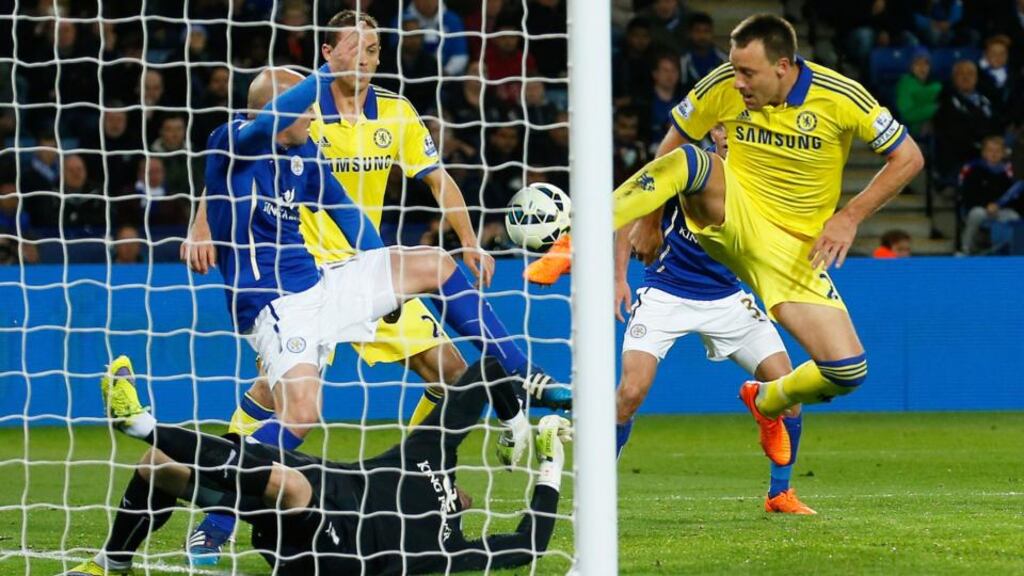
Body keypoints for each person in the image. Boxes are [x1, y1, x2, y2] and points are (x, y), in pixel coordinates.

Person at [181, 25, 568, 563]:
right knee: (291, 408)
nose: (314, 117)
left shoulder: (321, 149)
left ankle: (511, 388)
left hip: (334, 281)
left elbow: (352, 218)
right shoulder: (237, 141)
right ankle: (218, 519)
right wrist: (330, 74)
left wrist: (387, 280)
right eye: (306, 110)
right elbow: (259, 127)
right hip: (279, 304)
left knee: (440, 295)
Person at [530, 14, 924, 467]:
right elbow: (671, 147)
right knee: (692, 161)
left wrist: (850, 216)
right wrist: (650, 221)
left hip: (795, 249)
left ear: (782, 65)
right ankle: (577, 238)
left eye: (747, 73)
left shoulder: (840, 96)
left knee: (846, 370)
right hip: (733, 211)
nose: (736, 83)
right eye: (733, 69)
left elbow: (908, 157)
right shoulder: (722, 84)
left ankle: (767, 401)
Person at [65, 355, 571, 575]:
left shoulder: (451, 548)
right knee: (159, 468)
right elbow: (486, 371)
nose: (465, 499)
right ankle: (113, 562)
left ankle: (144, 424)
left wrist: (551, 465)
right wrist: (514, 422)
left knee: (290, 483)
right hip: (304, 494)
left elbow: (528, 546)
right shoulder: (430, 454)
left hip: (339, 557)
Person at [613, 125, 813, 514]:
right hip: (666, 293)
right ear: (713, 131)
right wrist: (619, 276)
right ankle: (597, 490)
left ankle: (780, 493)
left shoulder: (763, 178)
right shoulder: (690, 167)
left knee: (788, 389)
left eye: (739, 127)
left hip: (729, 298)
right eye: (723, 126)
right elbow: (628, 209)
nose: (729, 134)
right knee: (631, 392)